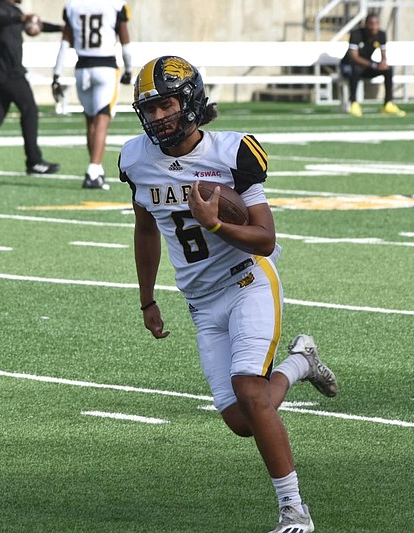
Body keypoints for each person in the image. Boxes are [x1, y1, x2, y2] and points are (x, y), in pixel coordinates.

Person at [119, 55, 338, 533]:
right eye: (149, 110)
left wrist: (215, 221)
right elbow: (145, 229)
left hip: (248, 280)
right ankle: (301, 362)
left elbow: (265, 240)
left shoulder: (232, 153)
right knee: (242, 418)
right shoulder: (135, 159)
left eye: (166, 105)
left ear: (191, 100)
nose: (157, 117)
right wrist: (147, 298)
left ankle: (294, 511)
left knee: (249, 390)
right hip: (200, 300)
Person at [0, 0, 62, 176]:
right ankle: (34, 161)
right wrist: (20, 17)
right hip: (8, 73)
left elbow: (34, 25)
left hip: (0, 72)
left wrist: (61, 28)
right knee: (30, 110)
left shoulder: (12, 11)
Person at [53, 0, 132, 190]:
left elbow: (65, 43)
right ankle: (94, 170)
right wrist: (129, 68)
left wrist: (56, 74)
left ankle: (96, 170)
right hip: (105, 67)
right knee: (102, 118)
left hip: (82, 69)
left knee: (90, 121)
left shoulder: (73, 5)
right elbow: (124, 39)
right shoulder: (115, 4)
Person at [339, 13, 405, 117]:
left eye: (377, 24)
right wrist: (374, 65)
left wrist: (383, 62)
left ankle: (388, 103)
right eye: (372, 24)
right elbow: (354, 57)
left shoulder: (381, 35)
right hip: (349, 66)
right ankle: (354, 103)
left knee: (388, 70)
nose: (374, 26)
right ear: (366, 24)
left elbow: (383, 53)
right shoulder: (356, 34)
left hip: (367, 67)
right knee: (355, 70)